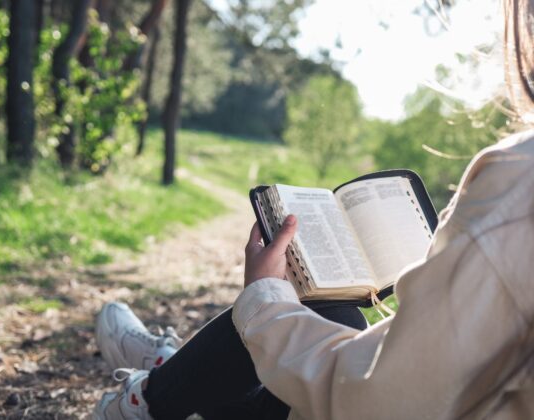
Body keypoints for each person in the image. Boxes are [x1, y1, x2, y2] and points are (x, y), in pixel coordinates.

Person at [93, 0, 534, 418]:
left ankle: (150, 397)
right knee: (334, 310)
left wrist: (263, 296)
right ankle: (174, 371)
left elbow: (380, 402)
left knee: (302, 307)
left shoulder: (519, 181)